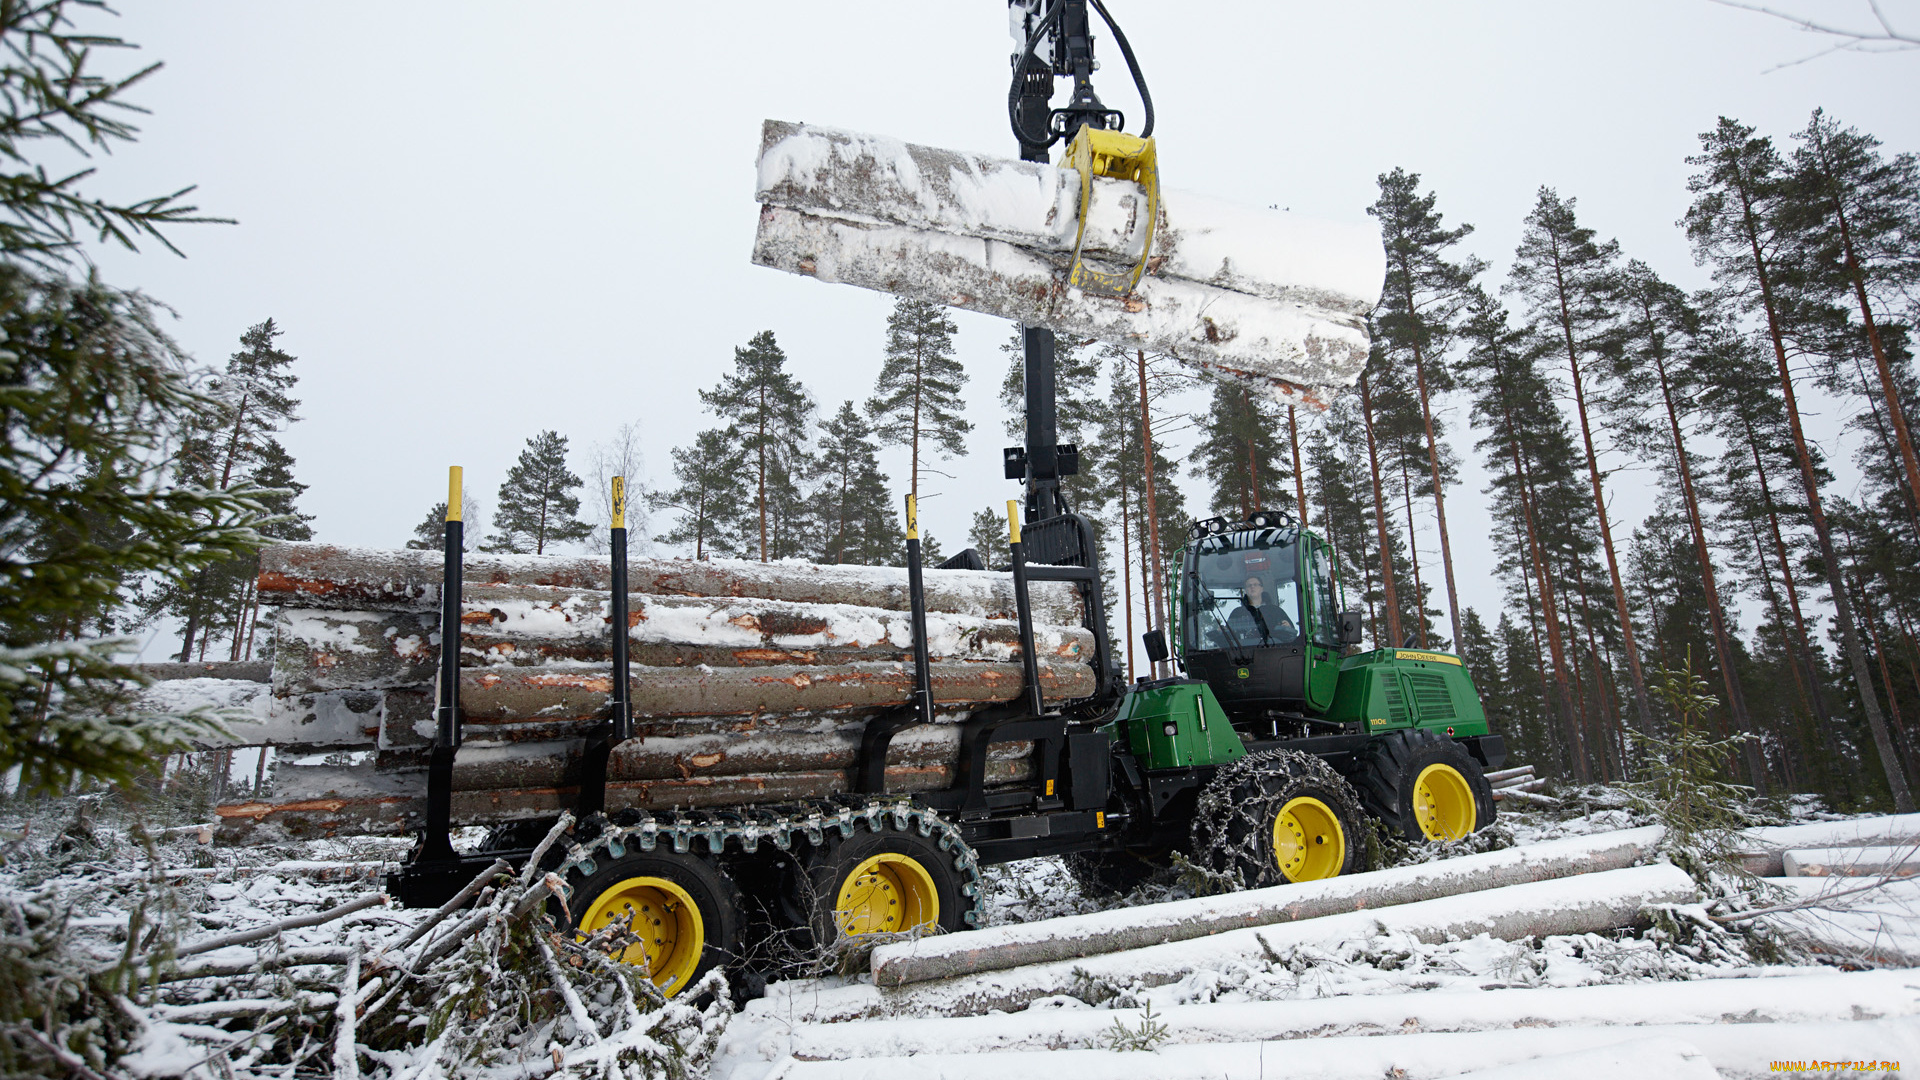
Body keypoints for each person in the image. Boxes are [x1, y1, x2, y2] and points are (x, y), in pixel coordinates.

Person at [1227, 575, 1297, 645]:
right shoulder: (1237, 613)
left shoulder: (1275, 610)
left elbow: (1290, 634)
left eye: (1255, 584)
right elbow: (1228, 636)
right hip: (1242, 653)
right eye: (1249, 585)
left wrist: (1287, 626)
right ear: (1245, 590)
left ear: (1262, 588)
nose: (1252, 587)